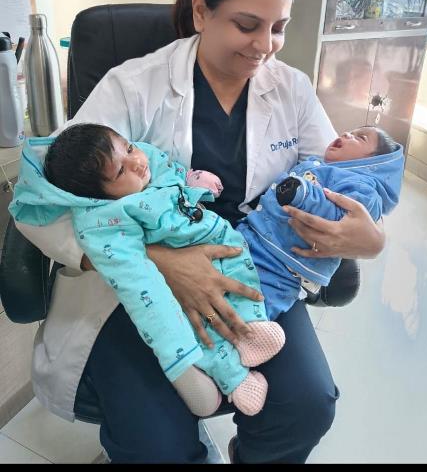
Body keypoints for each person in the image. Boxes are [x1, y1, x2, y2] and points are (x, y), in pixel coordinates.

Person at [13, 0, 385, 464]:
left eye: (279, 27)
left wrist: (370, 237)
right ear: (201, 11)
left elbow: (342, 178)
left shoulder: (292, 89)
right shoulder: (133, 86)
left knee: (306, 405)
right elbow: (42, 199)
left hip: (249, 272)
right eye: (247, 25)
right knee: (155, 445)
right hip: (138, 291)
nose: (265, 46)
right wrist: (160, 260)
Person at [11, 123, 286, 417]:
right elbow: (144, 292)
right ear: (97, 196)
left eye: (130, 148)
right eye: (120, 171)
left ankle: (251, 327)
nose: (137, 162)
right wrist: (178, 360)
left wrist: (191, 180)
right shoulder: (106, 221)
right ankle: (233, 377)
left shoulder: (144, 160)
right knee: (199, 326)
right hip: (167, 288)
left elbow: (169, 172)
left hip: (221, 240)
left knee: (239, 276)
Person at [237, 126, 404, 320]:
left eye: (360, 137)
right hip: (253, 235)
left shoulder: (363, 189)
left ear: (372, 163)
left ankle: (251, 330)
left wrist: (303, 195)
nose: (346, 134)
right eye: (351, 132)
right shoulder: (320, 166)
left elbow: (344, 217)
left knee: (254, 302)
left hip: (283, 265)